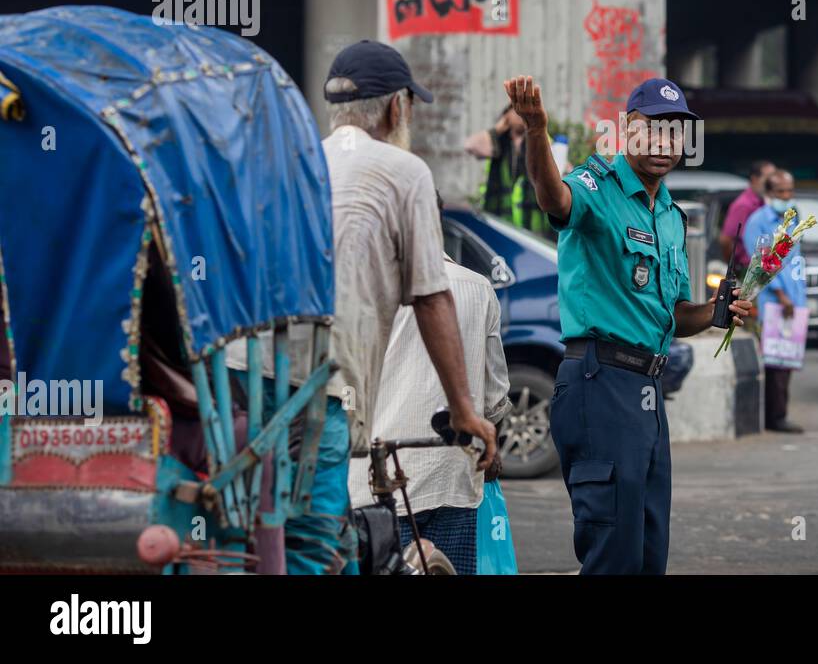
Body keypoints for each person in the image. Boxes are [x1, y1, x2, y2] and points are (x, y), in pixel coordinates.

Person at [227, 39, 497, 575]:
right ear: (398, 107)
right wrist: (464, 410)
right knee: (314, 541)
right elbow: (431, 295)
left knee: (253, 531)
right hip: (313, 383)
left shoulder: (287, 161)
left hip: (236, 376)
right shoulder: (404, 169)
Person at [504, 74, 756, 574]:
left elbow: (676, 316)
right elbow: (552, 197)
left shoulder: (669, 215)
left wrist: (718, 310)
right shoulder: (597, 185)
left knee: (647, 553)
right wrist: (536, 131)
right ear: (626, 131)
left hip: (647, 391)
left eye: (674, 132)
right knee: (611, 555)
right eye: (651, 130)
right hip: (600, 384)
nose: (664, 142)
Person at [347, 191, 511, 576]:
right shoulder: (478, 288)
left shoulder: (368, 289)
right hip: (455, 472)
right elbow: (496, 395)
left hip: (379, 480)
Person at [742, 168, 806, 434]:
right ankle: (774, 417)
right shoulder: (758, 220)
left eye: (789, 191)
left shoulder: (792, 218)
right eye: (781, 191)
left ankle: (778, 414)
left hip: (794, 296)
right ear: (769, 193)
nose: (786, 196)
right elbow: (762, 261)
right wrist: (781, 294)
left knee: (787, 358)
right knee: (774, 360)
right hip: (773, 299)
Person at [464, 105, 549, 234]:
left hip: (533, 224)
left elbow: (555, 160)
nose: (521, 115)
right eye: (516, 111)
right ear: (507, 115)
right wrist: (499, 127)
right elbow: (470, 145)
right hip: (501, 220)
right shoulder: (498, 141)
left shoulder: (538, 138)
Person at [720, 159, 774, 270]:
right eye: (768, 178)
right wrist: (735, 268)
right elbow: (726, 240)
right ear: (755, 179)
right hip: (746, 271)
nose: (772, 183)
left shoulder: (765, 203)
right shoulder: (744, 205)